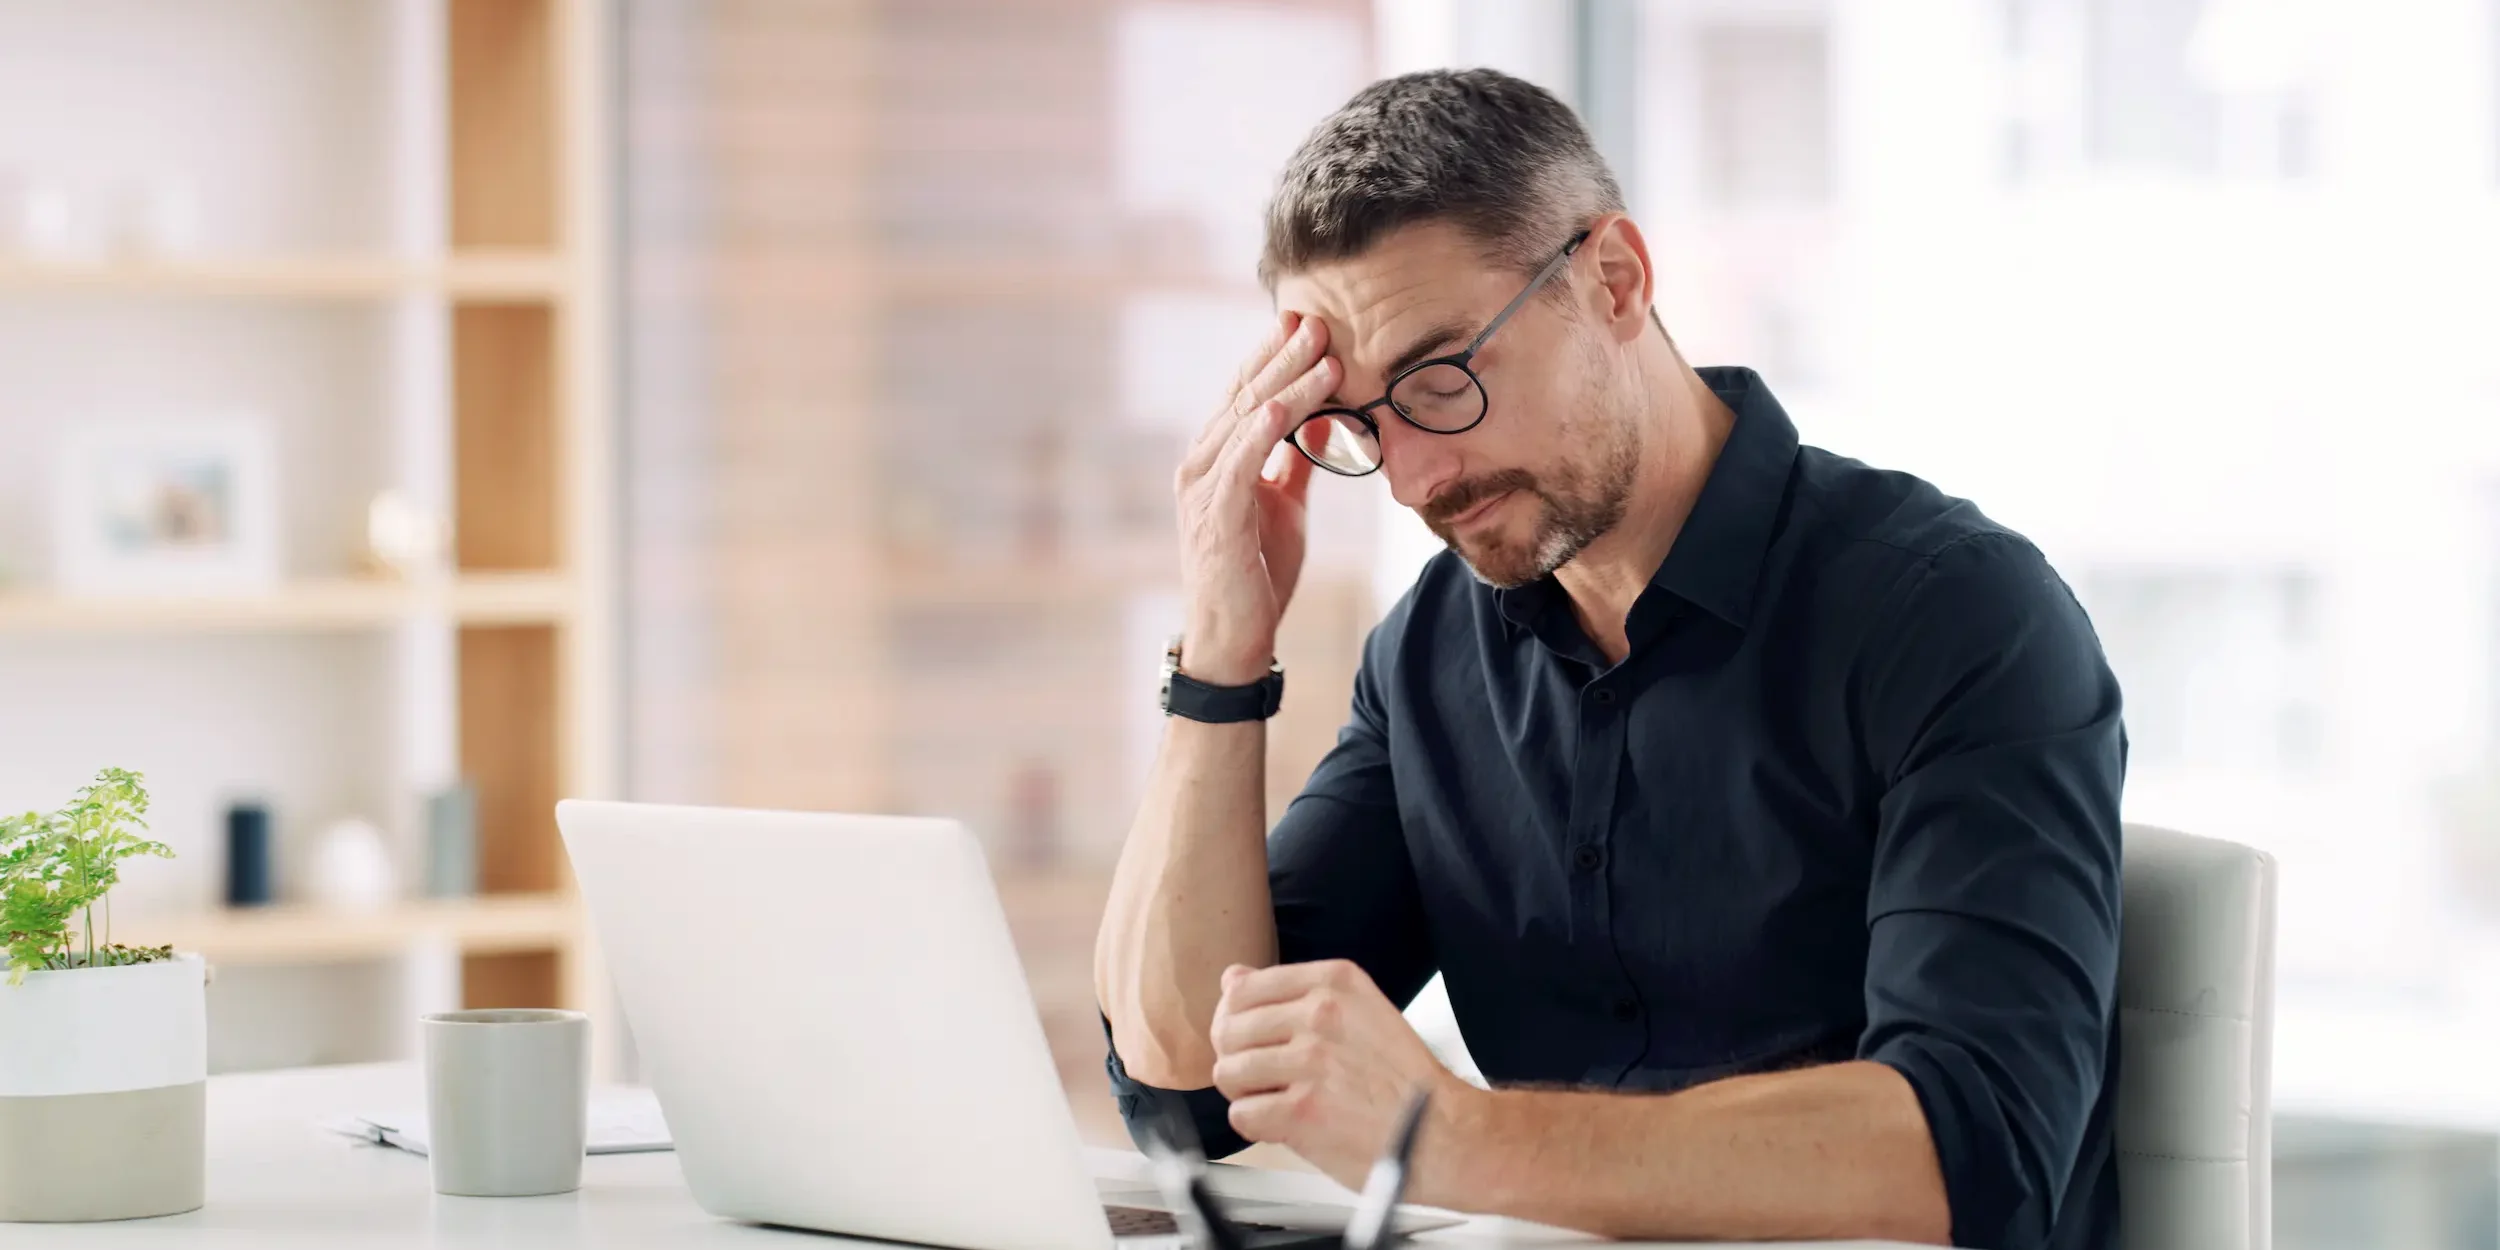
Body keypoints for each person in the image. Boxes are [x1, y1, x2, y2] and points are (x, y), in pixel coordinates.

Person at [1092, 68, 2123, 1250]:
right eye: (1362, 425)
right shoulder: (1432, 652)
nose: (1418, 481)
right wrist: (1220, 653)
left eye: (1440, 380)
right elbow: (1186, 1085)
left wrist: (1447, 1136)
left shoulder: (1953, 614)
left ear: (1616, 281)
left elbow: (1973, 1146)